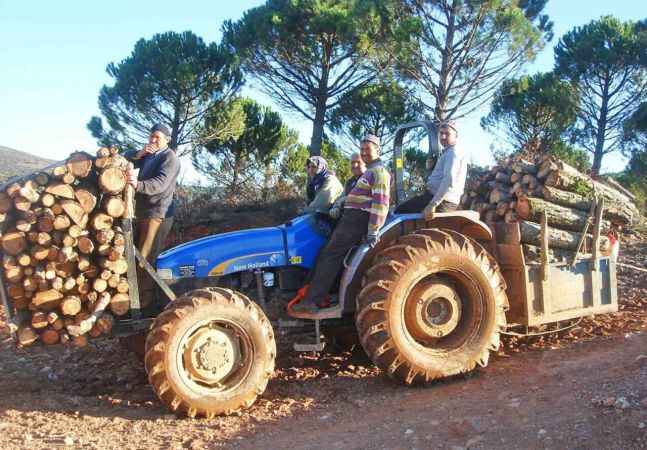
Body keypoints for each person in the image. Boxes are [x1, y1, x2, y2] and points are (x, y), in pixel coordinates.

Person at [289, 134, 390, 316]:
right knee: (325, 251)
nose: (364, 153)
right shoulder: (369, 172)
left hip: (357, 220)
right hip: (349, 218)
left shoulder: (379, 172)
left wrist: (373, 230)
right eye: (362, 149)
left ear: (378, 150)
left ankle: (313, 301)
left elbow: (380, 203)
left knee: (331, 255)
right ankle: (308, 294)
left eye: (368, 149)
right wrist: (341, 203)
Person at [125, 123, 181, 264]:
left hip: (157, 214)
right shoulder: (149, 155)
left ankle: (146, 287)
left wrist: (138, 184)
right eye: (151, 136)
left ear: (167, 140)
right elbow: (126, 157)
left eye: (157, 137)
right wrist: (139, 154)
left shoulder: (170, 158)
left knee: (145, 259)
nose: (153, 140)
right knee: (133, 254)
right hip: (142, 212)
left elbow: (160, 184)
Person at [396, 120, 467, 220]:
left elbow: (449, 179)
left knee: (399, 212)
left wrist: (433, 204)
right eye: (441, 133)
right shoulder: (448, 152)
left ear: (456, 136)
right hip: (440, 199)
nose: (443, 137)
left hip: (441, 201)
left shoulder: (453, 153)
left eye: (447, 134)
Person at [329, 152, 366, 219]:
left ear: (365, 164)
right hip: (346, 218)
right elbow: (341, 197)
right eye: (352, 162)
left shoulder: (369, 179)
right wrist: (335, 207)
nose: (355, 165)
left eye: (358, 162)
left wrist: (342, 200)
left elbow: (360, 197)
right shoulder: (349, 182)